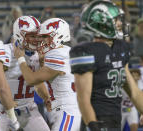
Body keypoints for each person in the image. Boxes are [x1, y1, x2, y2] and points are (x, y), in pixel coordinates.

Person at [69, 1, 131, 130]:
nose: (120, 23)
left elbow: (133, 91)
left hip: (115, 117)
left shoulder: (120, 48)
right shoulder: (86, 52)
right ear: (103, 23)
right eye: (116, 20)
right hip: (97, 119)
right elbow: (83, 100)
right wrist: (94, 125)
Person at [14, 17, 81, 131]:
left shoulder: (57, 54)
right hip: (66, 108)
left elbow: (31, 80)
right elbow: (48, 76)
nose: (41, 41)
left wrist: (20, 58)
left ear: (58, 36)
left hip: (66, 110)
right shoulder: (65, 51)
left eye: (45, 36)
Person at [0, 16, 50, 131]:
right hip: (4, 110)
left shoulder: (37, 55)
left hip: (29, 109)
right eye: (32, 36)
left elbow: (37, 84)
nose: (36, 40)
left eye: (38, 36)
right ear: (19, 35)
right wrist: (9, 104)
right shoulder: (5, 53)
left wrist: (46, 97)